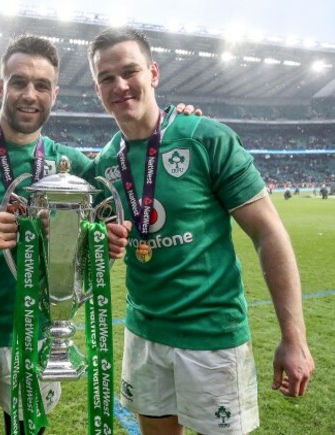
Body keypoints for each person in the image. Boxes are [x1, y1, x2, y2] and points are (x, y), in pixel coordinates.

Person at [0, 34, 194, 435]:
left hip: (41, 337)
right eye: (18, 82)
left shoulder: (70, 165)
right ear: (0, 86)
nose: (29, 94)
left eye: (41, 86)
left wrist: (104, 241)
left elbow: (110, 211)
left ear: (54, 94)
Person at [87, 27, 315, 434]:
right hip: (144, 336)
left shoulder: (206, 138)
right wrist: (99, 243)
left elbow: (269, 233)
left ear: (153, 73)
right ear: (97, 88)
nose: (120, 85)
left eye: (130, 71)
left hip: (213, 337)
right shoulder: (103, 165)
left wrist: (293, 339)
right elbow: (78, 246)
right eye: (107, 78)